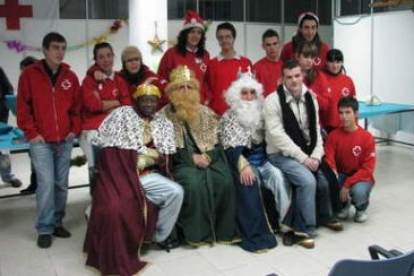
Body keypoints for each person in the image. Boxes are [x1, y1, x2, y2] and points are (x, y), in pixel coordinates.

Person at [84, 84, 183, 276]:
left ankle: (158, 235)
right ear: (137, 100)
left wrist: (151, 157)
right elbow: (109, 149)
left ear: (157, 103)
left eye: (152, 101)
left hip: (146, 176)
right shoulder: (122, 116)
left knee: (176, 192)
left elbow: (165, 157)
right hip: (120, 175)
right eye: (144, 100)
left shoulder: (162, 123)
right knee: (110, 207)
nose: (148, 104)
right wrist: (135, 159)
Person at [263, 60, 342, 249]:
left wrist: (315, 156)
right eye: (289, 77)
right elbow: (277, 136)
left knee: (325, 178)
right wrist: (304, 159)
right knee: (308, 181)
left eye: (297, 76)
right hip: (280, 154)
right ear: (282, 79)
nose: (294, 81)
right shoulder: (272, 101)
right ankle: (304, 229)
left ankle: (324, 215)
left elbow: (315, 129)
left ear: (302, 76)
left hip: (308, 151)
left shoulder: (310, 98)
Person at [161, 65, 239, 246]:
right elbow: (164, 149)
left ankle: (223, 232)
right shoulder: (163, 116)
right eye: (181, 87)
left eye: (190, 87)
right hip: (181, 163)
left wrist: (209, 157)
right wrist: (191, 158)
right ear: (172, 90)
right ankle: (198, 235)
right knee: (194, 184)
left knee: (224, 181)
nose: (186, 91)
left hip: (210, 158)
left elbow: (219, 142)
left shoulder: (205, 112)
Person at [17, 32, 81, 248]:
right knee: (45, 185)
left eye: (63, 48)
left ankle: (56, 223)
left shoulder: (70, 77)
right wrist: (32, 133)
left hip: (64, 140)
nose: (60, 52)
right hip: (41, 142)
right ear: (45, 50)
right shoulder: (29, 75)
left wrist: (74, 129)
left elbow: (76, 107)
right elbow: (22, 108)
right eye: (55, 48)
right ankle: (44, 228)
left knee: (61, 185)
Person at [220, 71, 291, 252]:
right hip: (243, 161)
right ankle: (257, 233)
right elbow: (230, 146)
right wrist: (243, 166)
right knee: (249, 183)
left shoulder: (263, 112)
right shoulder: (229, 116)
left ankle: (286, 225)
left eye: (253, 93)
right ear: (237, 95)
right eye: (245, 93)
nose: (249, 97)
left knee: (278, 178)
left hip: (265, 160)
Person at [80, 42, 131, 196]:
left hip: (115, 128)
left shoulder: (119, 80)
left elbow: (127, 104)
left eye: (109, 55)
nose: (106, 60)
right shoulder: (89, 81)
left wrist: (104, 103)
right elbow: (91, 105)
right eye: (101, 57)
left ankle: (118, 198)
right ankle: (98, 201)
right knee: (97, 167)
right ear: (95, 60)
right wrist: (116, 102)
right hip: (93, 130)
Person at [325, 96, 375, 223]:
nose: (344, 117)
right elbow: (329, 160)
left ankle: (360, 208)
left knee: (358, 191)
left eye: (348, 112)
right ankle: (343, 205)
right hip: (341, 174)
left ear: (356, 114)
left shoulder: (367, 137)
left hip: (361, 176)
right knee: (329, 181)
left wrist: (347, 185)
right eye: (341, 113)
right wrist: (333, 175)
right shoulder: (333, 136)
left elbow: (368, 169)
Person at [158, 10, 210, 102]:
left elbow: (206, 81)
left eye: (199, 32)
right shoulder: (171, 53)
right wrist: (171, 94)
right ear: (185, 34)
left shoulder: (205, 55)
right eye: (192, 32)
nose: (195, 35)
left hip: (198, 105)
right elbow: (161, 78)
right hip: (176, 104)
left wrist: (205, 98)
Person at [206, 22, 252, 116]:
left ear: (233, 38)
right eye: (220, 37)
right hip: (218, 116)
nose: (224, 40)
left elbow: (251, 90)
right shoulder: (211, 64)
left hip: (241, 116)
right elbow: (208, 91)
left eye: (227, 36)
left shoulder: (246, 63)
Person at [296, 41, 331, 129]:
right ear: (298, 56)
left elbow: (325, 106)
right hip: (294, 125)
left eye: (312, 57)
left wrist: (314, 96)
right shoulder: (290, 76)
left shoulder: (320, 77)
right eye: (306, 56)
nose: (309, 60)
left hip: (313, 125)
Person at [18, 56, 38, 195]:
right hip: (32, 131)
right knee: (33, 158)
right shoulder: (24, 86)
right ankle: (34, 183)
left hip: (45, 132)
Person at [323, 49, 356, 132]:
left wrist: (355, 124)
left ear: (342, 63)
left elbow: (354, 105)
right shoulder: (320, 79)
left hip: (345, 125)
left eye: (338, 62)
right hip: (325, 125)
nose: (335, 66)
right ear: (326, 63)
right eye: (332, 62)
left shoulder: (348, 80)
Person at [0, 66, 22, 188]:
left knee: (3, 150)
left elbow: (8, 90)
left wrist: (4, 107)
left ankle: (8, 177)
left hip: (0, 120)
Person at [253, 29, 283, 97]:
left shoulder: (286, 67)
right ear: (263, 46)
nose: (272, 48)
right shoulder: (256, 68)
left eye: (275, 44)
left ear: (280, 44)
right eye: (268, 45)